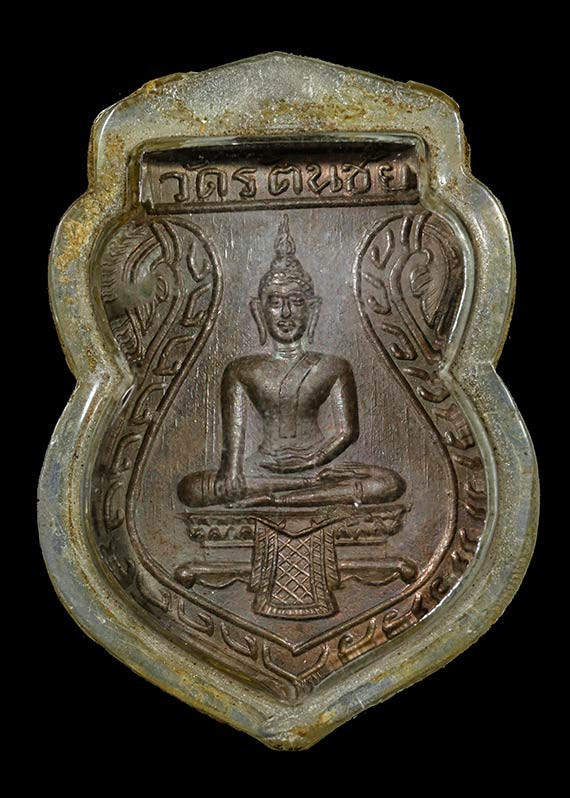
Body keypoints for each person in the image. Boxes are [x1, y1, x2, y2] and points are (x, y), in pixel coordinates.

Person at [178, 215, 405, 508]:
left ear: (313, 309)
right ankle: (295, 492)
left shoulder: (333, 367)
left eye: (296, 302)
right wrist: (232, 472)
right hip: (260, 469)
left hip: (321, 467)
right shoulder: (240, 370)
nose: (285, 313)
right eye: (275, 302)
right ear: (258, 310)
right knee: (191, 488)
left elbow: (347, 432)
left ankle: (278, 499)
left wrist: (314, 459)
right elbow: (231, 450)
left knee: (388, 484)